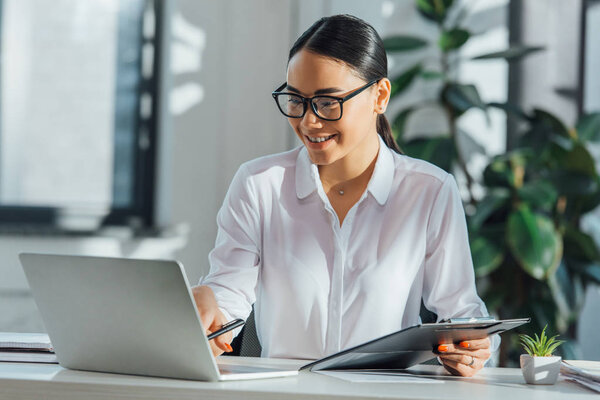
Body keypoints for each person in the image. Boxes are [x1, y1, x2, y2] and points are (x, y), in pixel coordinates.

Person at [192, 14, 498, 377]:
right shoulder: (259, 184)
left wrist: (472, 347)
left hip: (383, 393)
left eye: (327, 102)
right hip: (284, 393)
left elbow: (461, 311)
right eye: (296, 100)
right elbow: (227, 293)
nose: (308, 122)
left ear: (379, 96)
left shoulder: (429, 191)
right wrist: (208, 310)